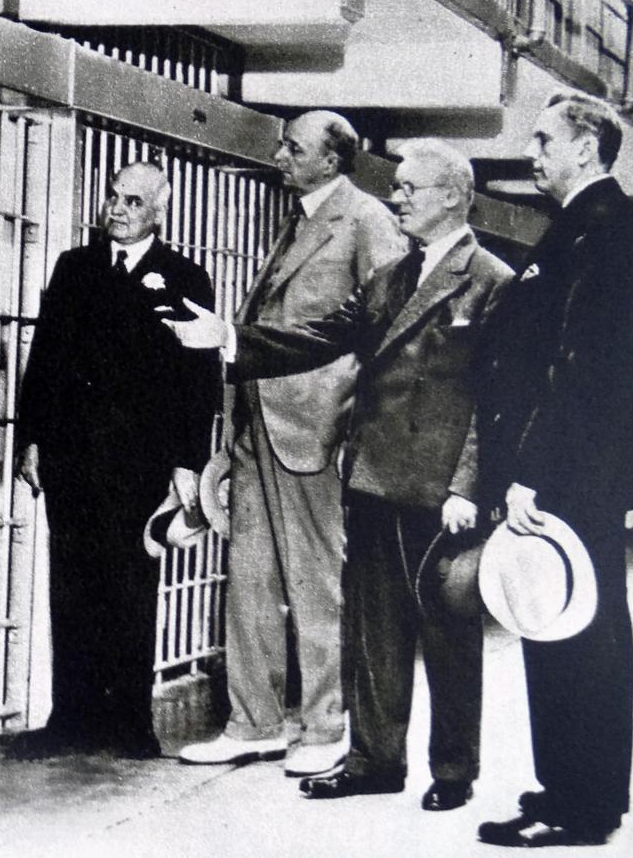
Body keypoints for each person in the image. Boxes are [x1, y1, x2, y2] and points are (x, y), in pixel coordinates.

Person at [167, 139, 512, 808]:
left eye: (411, 187)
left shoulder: (490, 279)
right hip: (374, 477)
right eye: (399, 186)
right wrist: (233, 340)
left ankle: (452, 771)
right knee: (373, 629)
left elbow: (492, 402)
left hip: (440, 491)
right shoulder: (390, 279)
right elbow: (320, 336)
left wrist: (467, 489)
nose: (398, 196)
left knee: (446, 631)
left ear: (452, 195)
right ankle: (373, 760)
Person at [178, 111, 403, 777]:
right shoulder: (300, 219)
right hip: (259, 426)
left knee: (315, 585)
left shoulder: (365, 221)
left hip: (314, 429)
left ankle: (327, 723)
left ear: (331, 161)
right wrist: (234, 431)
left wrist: (351, 430)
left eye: (293, 147)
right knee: (248, 583)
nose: (280, 155)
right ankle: (254, 721)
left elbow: (385, 334)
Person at [475, 92, 633, 847]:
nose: (532, 151)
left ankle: (582, 805)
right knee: (556, 624)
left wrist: (532, 471)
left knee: (580, 630)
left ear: (586, 148)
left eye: (545, 138)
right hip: (574, 467)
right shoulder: (581, 228)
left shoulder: (605, 232)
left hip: (573, 469)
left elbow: (580, 369)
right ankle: (565, 788)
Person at [15, 161, 220, 757]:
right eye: (112, 196)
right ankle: (70, 718)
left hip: (142, 460)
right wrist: (33, 438)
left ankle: (130, 720)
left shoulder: (184, 276)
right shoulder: (75, 268)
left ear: (160, 209)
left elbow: (198, 376)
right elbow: (46, 354)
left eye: (133, 200)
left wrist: (188, 460)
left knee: (132, 584)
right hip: (73, 455)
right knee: (72, 582)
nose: (118, 209)